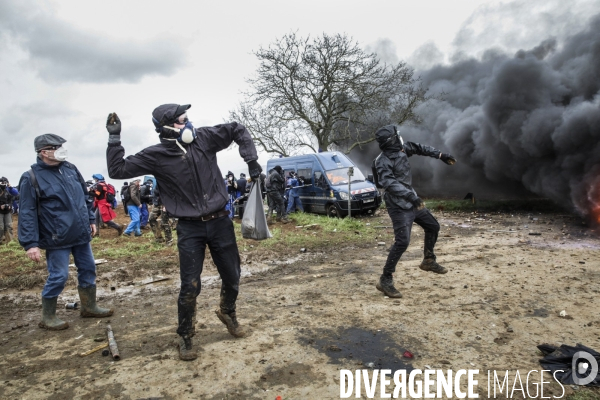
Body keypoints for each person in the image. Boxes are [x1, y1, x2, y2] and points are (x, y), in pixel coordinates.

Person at [105, 104, 262, 361]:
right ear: (167, 127)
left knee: (232, 275)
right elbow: (118, 170)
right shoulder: (155, 155)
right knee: (190, 285)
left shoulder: (204, 139)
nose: (188, 123)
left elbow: (237, 129)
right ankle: (186, 336)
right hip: (190, 228)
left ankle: (228, 312)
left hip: (221, 222)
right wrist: (114, 140)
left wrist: (251, 159)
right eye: (182, 120)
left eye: (187, 118)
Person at [18, 134, 113, 330]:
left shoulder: (70, 169)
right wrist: (30, 243)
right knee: (59, 275)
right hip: (56, 237)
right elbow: (27, 211)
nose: (62, 149)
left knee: (88, 268)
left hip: (80, 233)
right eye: (56, 146)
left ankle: (89, 306)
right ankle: (48, 316)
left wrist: (89, 219)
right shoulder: (31, 177)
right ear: (44, 152)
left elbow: (85, 196)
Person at [374, 125, 456, 298]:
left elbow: (420, 148)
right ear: (391, 140)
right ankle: (385, 279)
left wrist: (441, 155)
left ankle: (428, 260)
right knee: (402, 242)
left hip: (412, 201)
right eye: (397, 136)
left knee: (433, 226)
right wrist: (412, 198)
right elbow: (389, 183)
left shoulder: (402, 149)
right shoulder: (382, 161)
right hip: (398, 205)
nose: (400, 137)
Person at [0, 177, 19, 244]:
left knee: (9, 225)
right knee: (1, 226)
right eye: (2, 182)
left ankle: (9, 241)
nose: (3, 184)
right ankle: (1, 241)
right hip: (0, 211)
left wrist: (10, 187)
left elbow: (15, 193)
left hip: (7, 211)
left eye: (4, 182)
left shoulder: (8, 189)